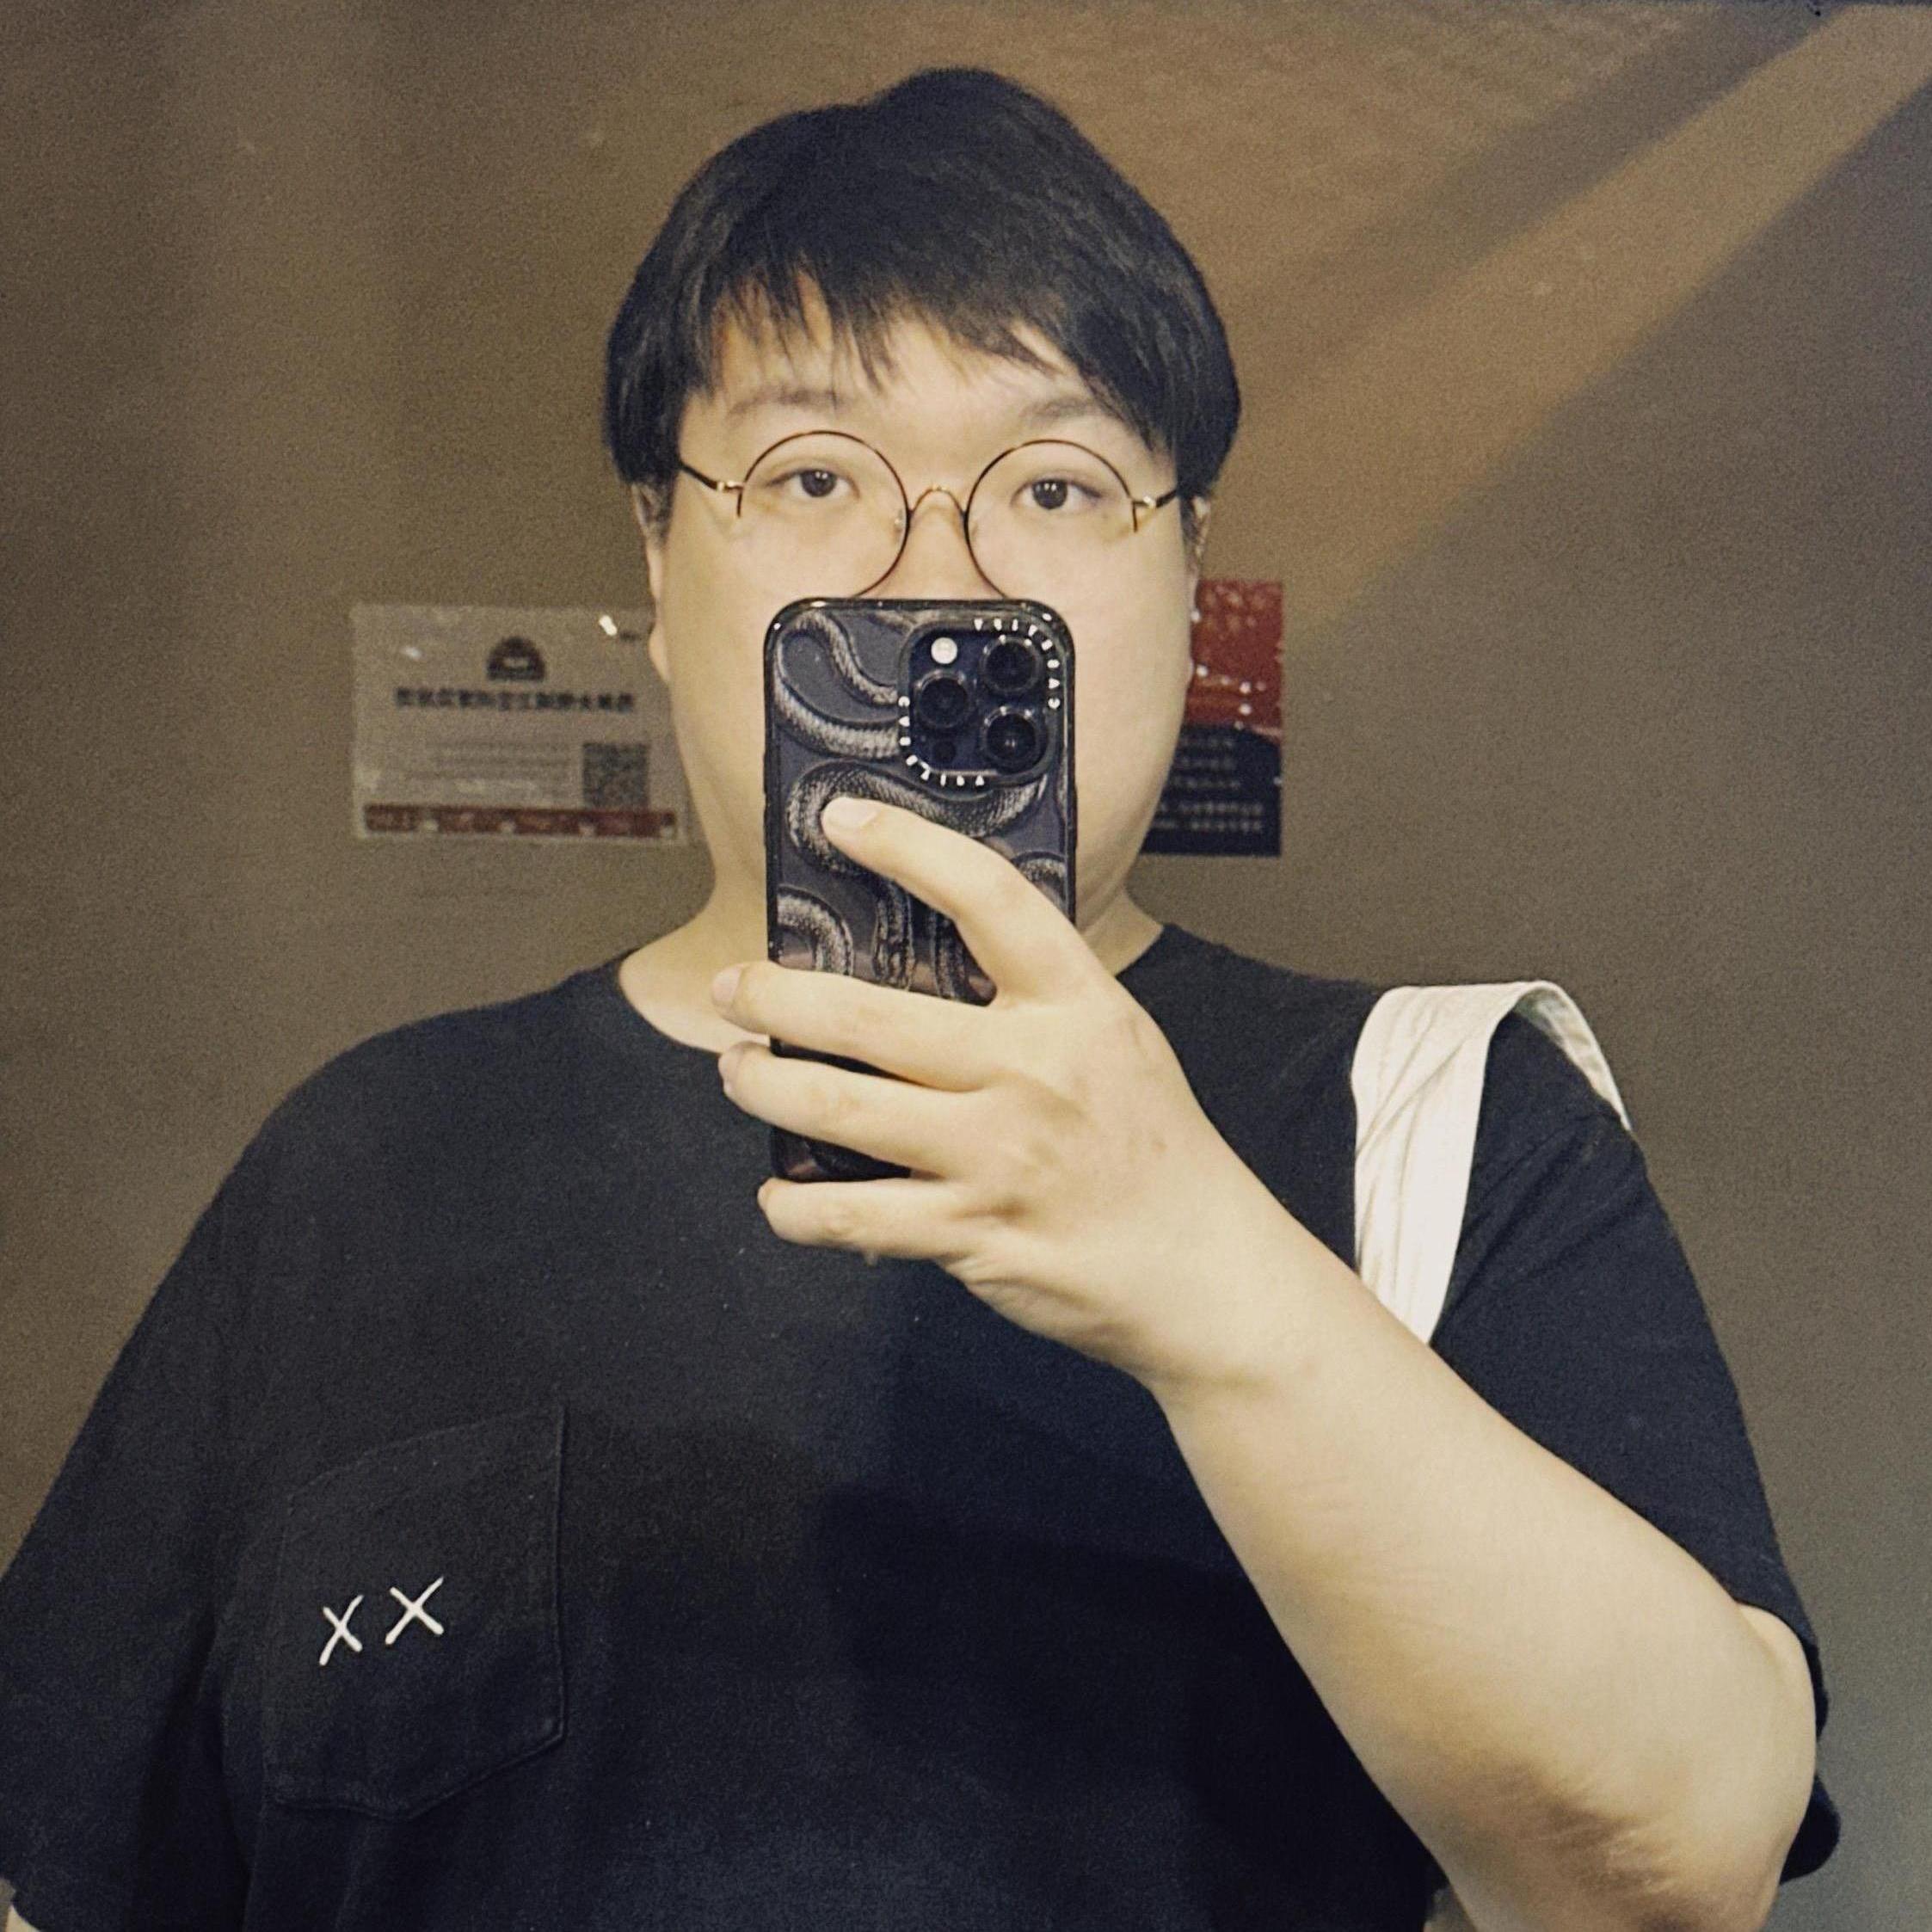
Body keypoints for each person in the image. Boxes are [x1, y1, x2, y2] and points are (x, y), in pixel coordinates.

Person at [0, 65, 1837, 1932]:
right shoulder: (369, 1164)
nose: (936, 575)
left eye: (1054, 484)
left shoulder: (1433, 1118)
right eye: (813, 475)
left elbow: (1684, 1860)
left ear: (1189, 578)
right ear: (657, 557)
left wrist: (1210, 1274)